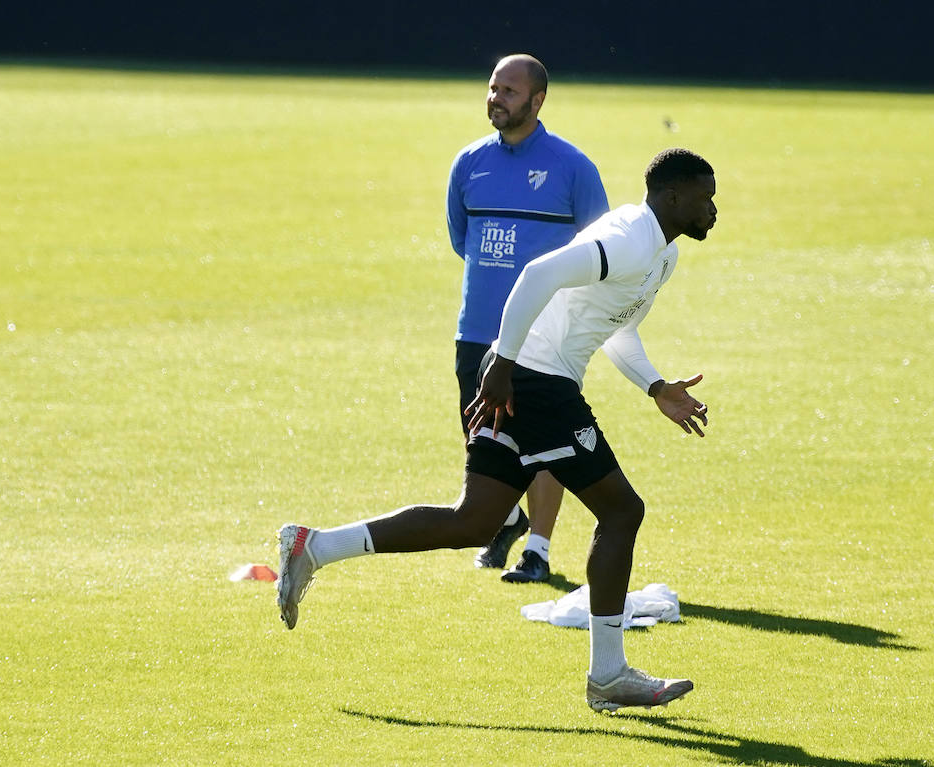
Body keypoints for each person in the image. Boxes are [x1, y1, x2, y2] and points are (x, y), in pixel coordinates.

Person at [275, 148, 717, 711]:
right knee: (622, 510)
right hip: (535, 381)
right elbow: (540, 272)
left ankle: (313, 547)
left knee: (475, 521)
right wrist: (503, 364)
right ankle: (608, 675)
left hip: (527, 375)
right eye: (705, 197)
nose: (713, 209)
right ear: (673, 196)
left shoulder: (661, 256)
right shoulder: (631, 237)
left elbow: (616, 331)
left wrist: (657, 387)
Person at [446, 53, 610, 583]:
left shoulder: (572, 167)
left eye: (509, 91)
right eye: (493, 88)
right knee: (484, 440)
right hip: (477, 332)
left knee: (544, 442)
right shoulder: (468, 164)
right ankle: (506, 516)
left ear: (538, 100)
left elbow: (599, 250)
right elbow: (460, 240)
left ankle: (536, 549)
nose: (496, 98)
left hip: (544, 339)